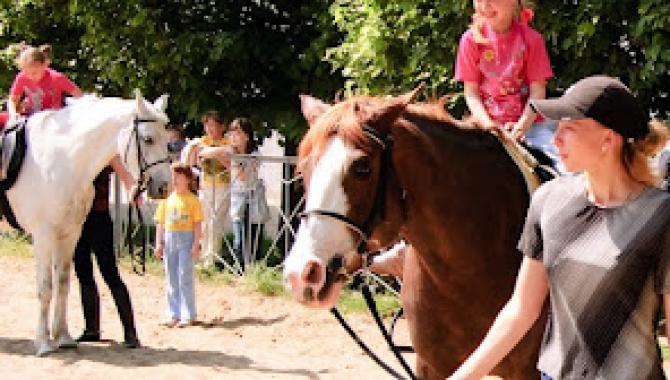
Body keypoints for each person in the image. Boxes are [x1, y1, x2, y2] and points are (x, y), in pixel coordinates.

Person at [448, 75, 670, 380]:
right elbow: (521, 309)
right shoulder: (548, 201)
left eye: (570, 128)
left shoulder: (661, 216)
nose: (555, 139)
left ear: (608, 139)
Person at [455, 0, 558, 169]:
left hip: (531, 125)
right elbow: (471, 93)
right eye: (479, 0)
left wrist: (520, 129)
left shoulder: (532, 39)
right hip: (485, 125)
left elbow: (537, 92)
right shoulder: (470, 40)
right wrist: (490, 126)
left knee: (563, 167)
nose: (485, 5)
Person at [74, 164, 141, 348]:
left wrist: (132, 188)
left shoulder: (104, 153)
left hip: (99, 217)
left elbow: (124, 170)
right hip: (78, 218)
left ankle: (130, 332)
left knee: (110, 274)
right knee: (83, 273)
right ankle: (91, 329)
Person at [154, 163, 203, 327]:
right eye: (173, 176)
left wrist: (196, 244)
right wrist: (158, 243)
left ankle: (188, 313)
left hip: (185, 239)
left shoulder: (193, 200)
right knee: (171, 276)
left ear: (187, 179)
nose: (174, 180)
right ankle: (173, 313)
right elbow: (160, 222)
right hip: (170, 240)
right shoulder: (167, 199)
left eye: (178, 176)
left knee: (184, 275)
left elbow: (197, 224)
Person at [183, 111, 232, 267]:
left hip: (223, 186)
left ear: (221, 126)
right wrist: (194, 150)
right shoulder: (202, 141)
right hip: (205, 186)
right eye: (207, 125)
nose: (210, 129)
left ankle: (213, 258)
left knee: (215, 222)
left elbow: (230, 165)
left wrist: (212, 152)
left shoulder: (227, 143)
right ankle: (202, 255)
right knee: (203, 222)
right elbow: (192, 163)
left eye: (213, 125)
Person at [228, 117, 265, 272]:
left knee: (253, 233)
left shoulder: (255, 153)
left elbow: (244, 176)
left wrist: (234, 159)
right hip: (237, 198)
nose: (234, 137)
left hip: (253, 197)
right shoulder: (231, 151)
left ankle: (254, 267)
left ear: (247, 136)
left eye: (238, 133)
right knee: (239, 235)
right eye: (232, 133)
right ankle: (239, 267)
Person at [8, 43, 83, 118]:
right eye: (26, 73)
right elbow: (13, 100)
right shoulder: (22, 77)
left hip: (54, 117)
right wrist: (14, 114)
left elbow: (80, 96)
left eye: (34, 73)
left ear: (45, 65)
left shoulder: (57, 78)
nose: (30, 76)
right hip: (32, 117)